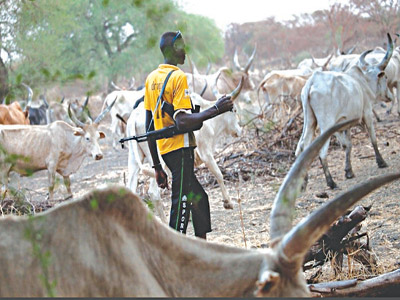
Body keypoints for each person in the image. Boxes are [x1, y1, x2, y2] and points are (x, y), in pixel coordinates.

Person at [144, 31, 233, 240]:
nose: (185, 51)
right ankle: (175, 256)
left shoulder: (151, 79)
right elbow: (182, 121)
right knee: (181, 208)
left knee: (199, 199)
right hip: (181, 150)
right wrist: (216, 109)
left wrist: (157, 166)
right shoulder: (177, 77)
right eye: (181, 46)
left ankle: (202, 249)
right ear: (172, 50)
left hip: (167, 152)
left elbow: (150, 129)